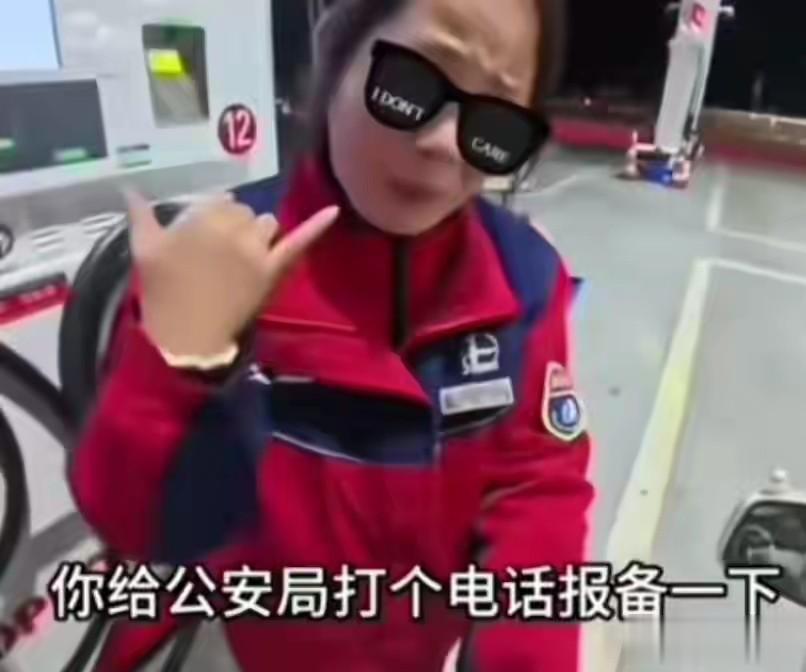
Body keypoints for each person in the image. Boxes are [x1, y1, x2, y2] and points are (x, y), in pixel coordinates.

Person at [69, 0, 596, 669]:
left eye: (493, 123)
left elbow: (537, 489)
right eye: (412, 83)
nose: (444, 143)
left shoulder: (525, 280)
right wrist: (180, 365)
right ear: (338, 56)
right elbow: (140, 526)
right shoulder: (217, 263)